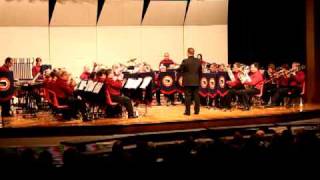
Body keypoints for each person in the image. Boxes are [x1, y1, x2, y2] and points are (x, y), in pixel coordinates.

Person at [179, 48, 202, 115]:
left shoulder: (185, 61)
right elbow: (200, 72)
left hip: (187, 81)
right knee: (196, 96)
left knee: (188, 97)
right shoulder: (198, 61)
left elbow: (180, 69)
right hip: (196, 81)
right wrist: (198, 79)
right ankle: (197, 111)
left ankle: (188, 112)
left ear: (188, 53)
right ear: (193, 53)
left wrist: (175, 68)